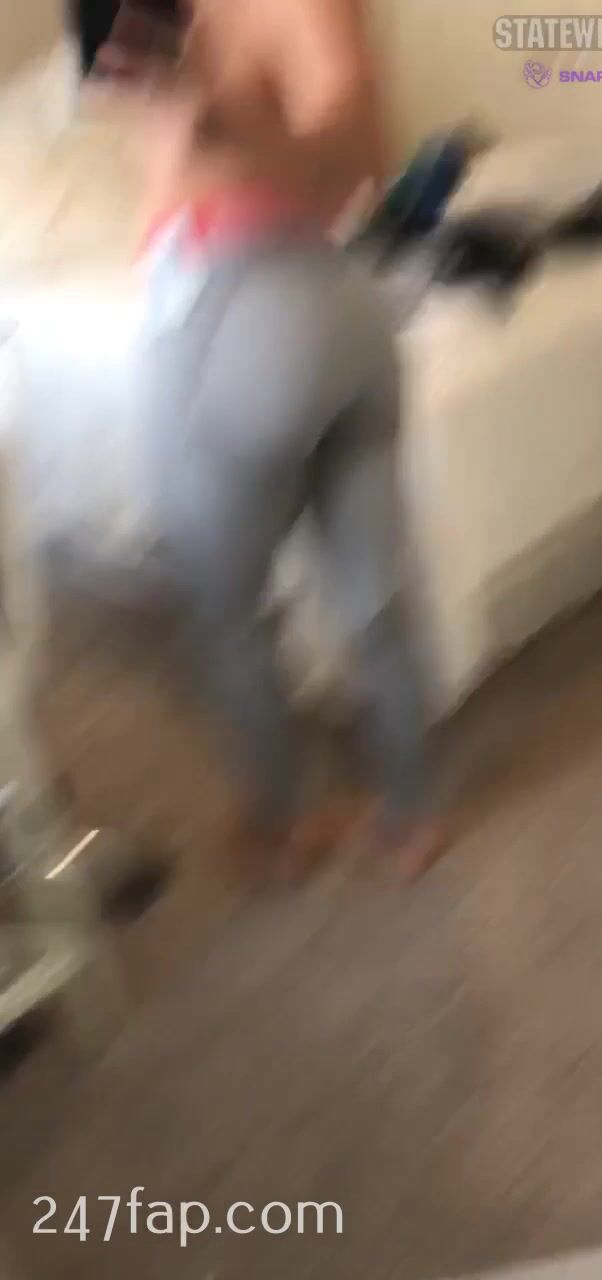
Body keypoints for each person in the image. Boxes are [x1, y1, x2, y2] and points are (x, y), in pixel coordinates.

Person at [95, 0, 445, 882]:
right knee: (376, 594)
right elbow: (369, 165)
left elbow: (183, 136)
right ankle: (410, 815)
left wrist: (222, 119)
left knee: (228, 607)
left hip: (221, 296)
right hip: (344, 299)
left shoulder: (182, 20)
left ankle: (281, 827)